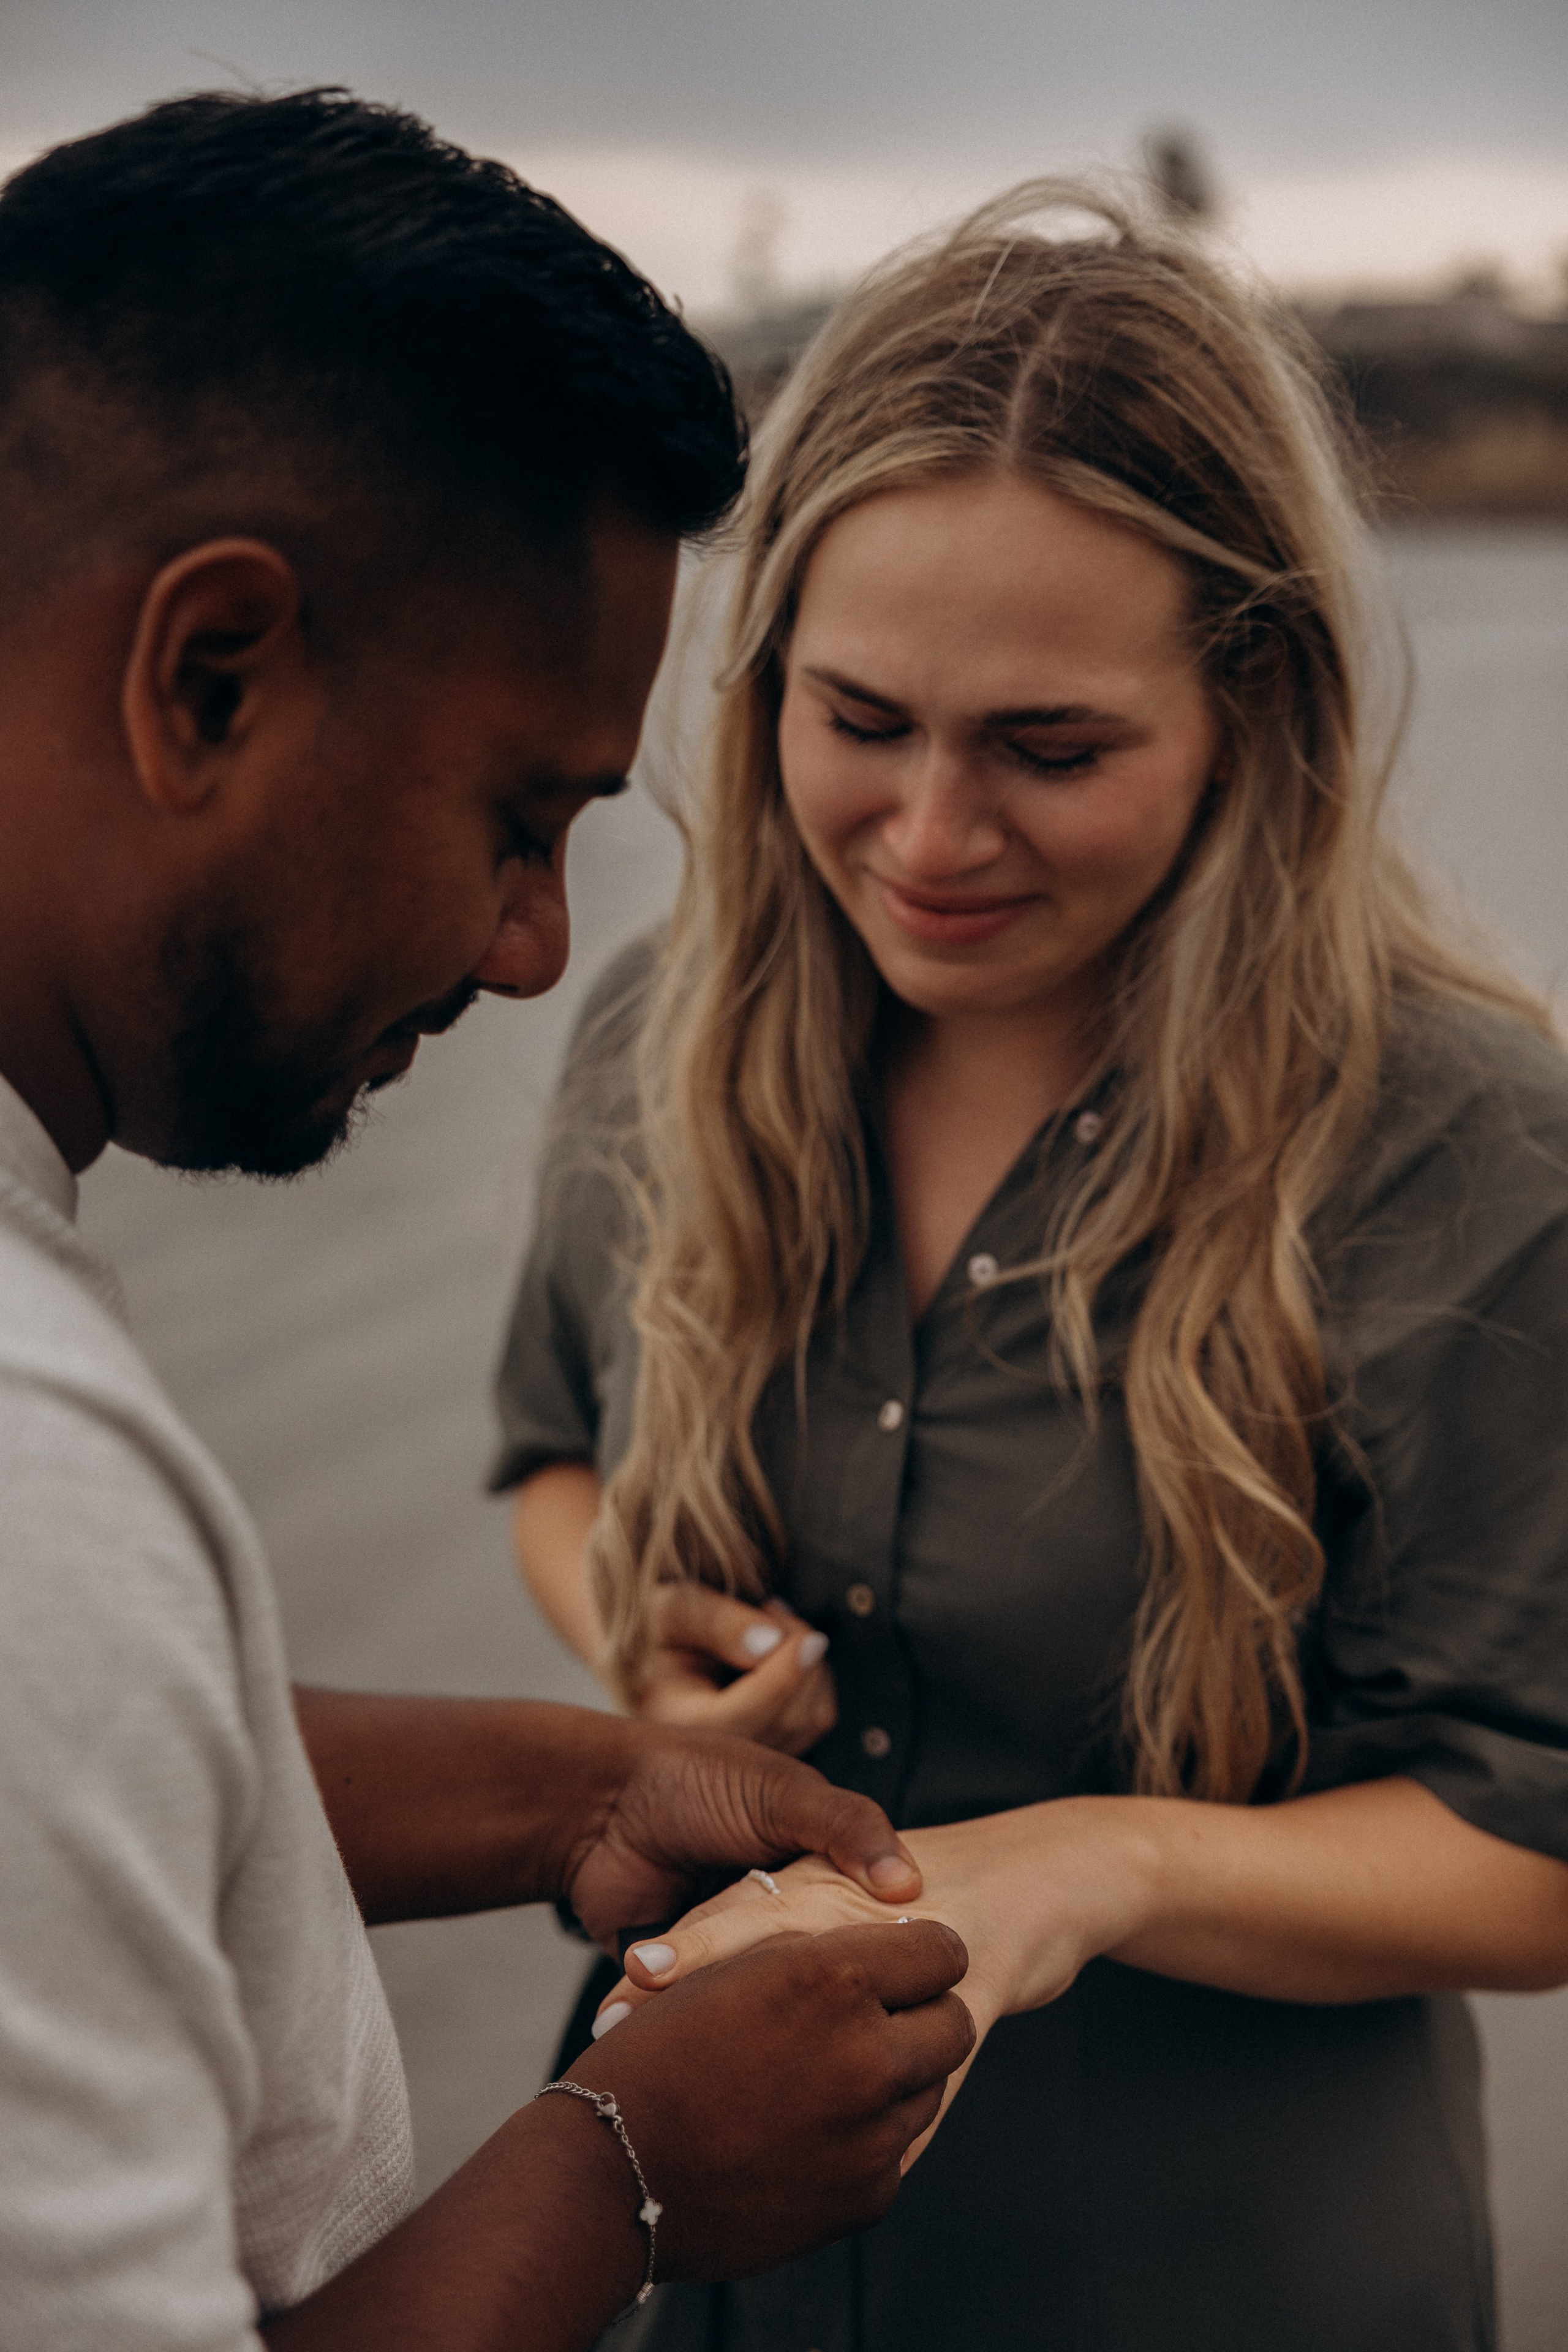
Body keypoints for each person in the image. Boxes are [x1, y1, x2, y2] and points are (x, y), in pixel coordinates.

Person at [497, 181, 1568, 2352]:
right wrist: (641, 1632)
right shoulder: (650, 1039)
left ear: (1252, 704)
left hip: (1229, 2286)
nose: (929, 837)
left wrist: (1104, 1862)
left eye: (1049, 749)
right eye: (860, 719)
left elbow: (1532, 1841)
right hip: (694, 2268)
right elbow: (548, 1460)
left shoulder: (1465, 1146)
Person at [0, 89, 979, 2352]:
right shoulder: (43, 1484)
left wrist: (586, 1786)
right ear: (207, 675)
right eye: (520, 813)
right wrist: (626, 2167)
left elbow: (93, 1757)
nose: (541, 947)